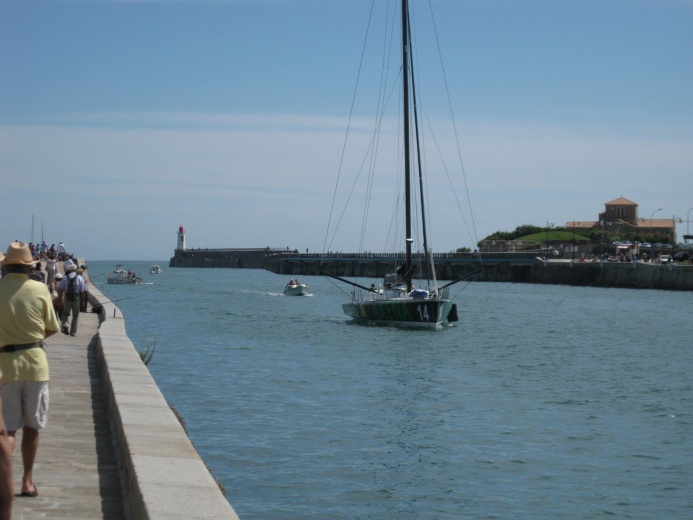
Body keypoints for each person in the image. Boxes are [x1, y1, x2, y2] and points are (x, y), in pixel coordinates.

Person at [0, 242, 60, 500]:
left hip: (5, 367)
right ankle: (26, 482)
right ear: (29, 267)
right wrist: (33, 337)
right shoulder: (40, 289)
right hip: (35, 364)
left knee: (8, 431)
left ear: (6, 266)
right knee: (33, 427)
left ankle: (5, 482)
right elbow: (52, 327)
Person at [58, 260, 86, 336]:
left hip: (67, 298)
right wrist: (83, 301)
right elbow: (83, 291)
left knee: (65, 313)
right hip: (76, 298)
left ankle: (65, 324)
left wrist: (60, 299)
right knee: (75, 315)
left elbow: (60, 289)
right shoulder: (80, 278)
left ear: (69, 270)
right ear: (76, 270)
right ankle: (73, 332)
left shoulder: (65, 278)